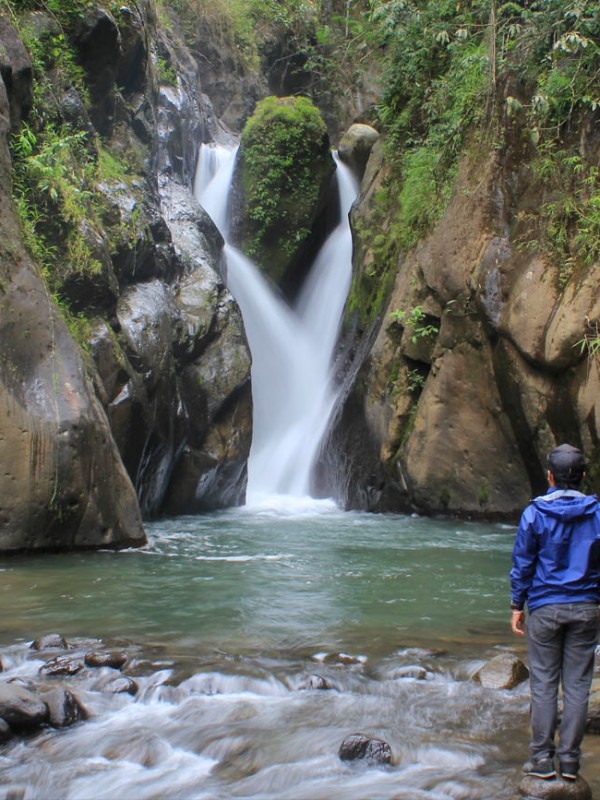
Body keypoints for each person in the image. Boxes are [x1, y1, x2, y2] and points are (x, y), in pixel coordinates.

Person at [510, 443, 600, 782]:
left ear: (549, 476)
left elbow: (523, 563)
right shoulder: (597, 513)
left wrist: (517, 605)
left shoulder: (534, 513)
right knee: (578, 687)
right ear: (583, 477)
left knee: (544, 684)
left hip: (545, 608)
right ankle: (571, 763)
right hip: (586, 608)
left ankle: (542, 761)